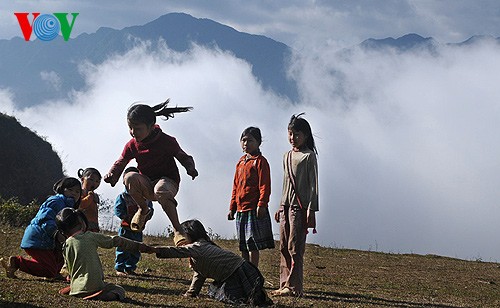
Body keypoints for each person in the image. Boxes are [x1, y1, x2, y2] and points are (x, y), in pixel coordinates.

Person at [104, 99, 198, 245]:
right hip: (146, 185)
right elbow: (121, 161)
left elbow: (183, 156)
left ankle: (178, 230)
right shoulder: (132, 145)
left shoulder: (167, 141)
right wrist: (112, 174)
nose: (133, 133)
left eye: (138, 128)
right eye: (130, 128)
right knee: (129, 177)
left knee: (160, 189)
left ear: (151, 126)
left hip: (168, 183)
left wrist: (190, 168)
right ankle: (143, 209)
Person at [153, 219, 272, 306]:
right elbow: (200, 274)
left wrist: (154, 250)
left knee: (224, 294)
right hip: (239, 272)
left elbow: (176, 251)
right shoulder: (200, 250)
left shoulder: (198, 247)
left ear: (190, 234)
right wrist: (192, 292)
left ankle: (256, 298)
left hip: (239, 272)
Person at [55, 207, 153, 301]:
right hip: (96, 286)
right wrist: (139, 246)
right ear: (82, 222)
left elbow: (66, 269)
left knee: (76, 284)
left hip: (76, 288)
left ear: (62, 231)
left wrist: (68, 277)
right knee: (119, 290)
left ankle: (77, 290)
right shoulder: (90, 236)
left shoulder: (66, 245)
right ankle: (102, 295)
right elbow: (115, 240)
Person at [272, 113, 319, 297]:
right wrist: (280, 205)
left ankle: (294, 287)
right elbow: (285, 183)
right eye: (290, 134)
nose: (293, 138)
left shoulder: (309, 156)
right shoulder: (286, 156)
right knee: (283, 246)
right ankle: (284, 283)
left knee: (295, 247)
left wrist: (311, 210)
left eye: (297, 134)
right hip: (285, 207)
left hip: (300, 208)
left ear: (306, 135)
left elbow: (314, 185)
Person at [0, 177, 82, 279]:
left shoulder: (70, 208)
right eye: (70, 190)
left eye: (77, 192)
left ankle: (55, 272)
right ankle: (17, 262)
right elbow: (44, 219)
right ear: (62, 189)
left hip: (49, 241)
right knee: (49, 270)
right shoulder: (56, 201)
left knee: (59, 256)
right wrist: (56, 233)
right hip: (39, 238)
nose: (74, 193)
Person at [228, 127, 274, 267]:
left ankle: (253, 270)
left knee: (252, 243)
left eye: (250, 140)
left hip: (253, 208)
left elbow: (264, 185)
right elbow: (235, 186)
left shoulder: (260, 162)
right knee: (243, 244)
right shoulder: (241, 162)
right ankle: (245, 269)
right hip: (241, 209)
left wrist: (262, 204)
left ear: (258, 142)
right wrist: (232, 207)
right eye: (243, 140)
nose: (246, 143)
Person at [114, 166, 154, 276]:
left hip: (138, 228)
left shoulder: (146, 198)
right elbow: (117, 209)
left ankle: (130, 268)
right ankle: (120, 268)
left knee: (136, 248)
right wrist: (125, 216)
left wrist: (146, 216)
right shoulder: (122, 196)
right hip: (125, 228)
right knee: (123, 247)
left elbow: (150, 210)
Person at [77, 167, 102, 232]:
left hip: (94, 227)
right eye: (91, 179)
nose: (94, 183)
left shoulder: (94, 195)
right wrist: (90, 196)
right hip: (82, 226)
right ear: (82, 179)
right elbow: (81, 205)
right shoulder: (79, 192)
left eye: (97, 181)